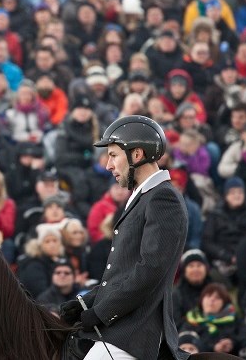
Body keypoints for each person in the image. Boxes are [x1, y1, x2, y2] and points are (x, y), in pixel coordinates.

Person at [60, 115, 188, 360]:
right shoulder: (142, 196)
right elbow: (123, 273)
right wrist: (87, 303)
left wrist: (102, 312)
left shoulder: (163, 198)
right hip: (119, 329)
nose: (108, 165)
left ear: (137, 155)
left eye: (113, 155)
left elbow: (149, 270)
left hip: (135, 333)